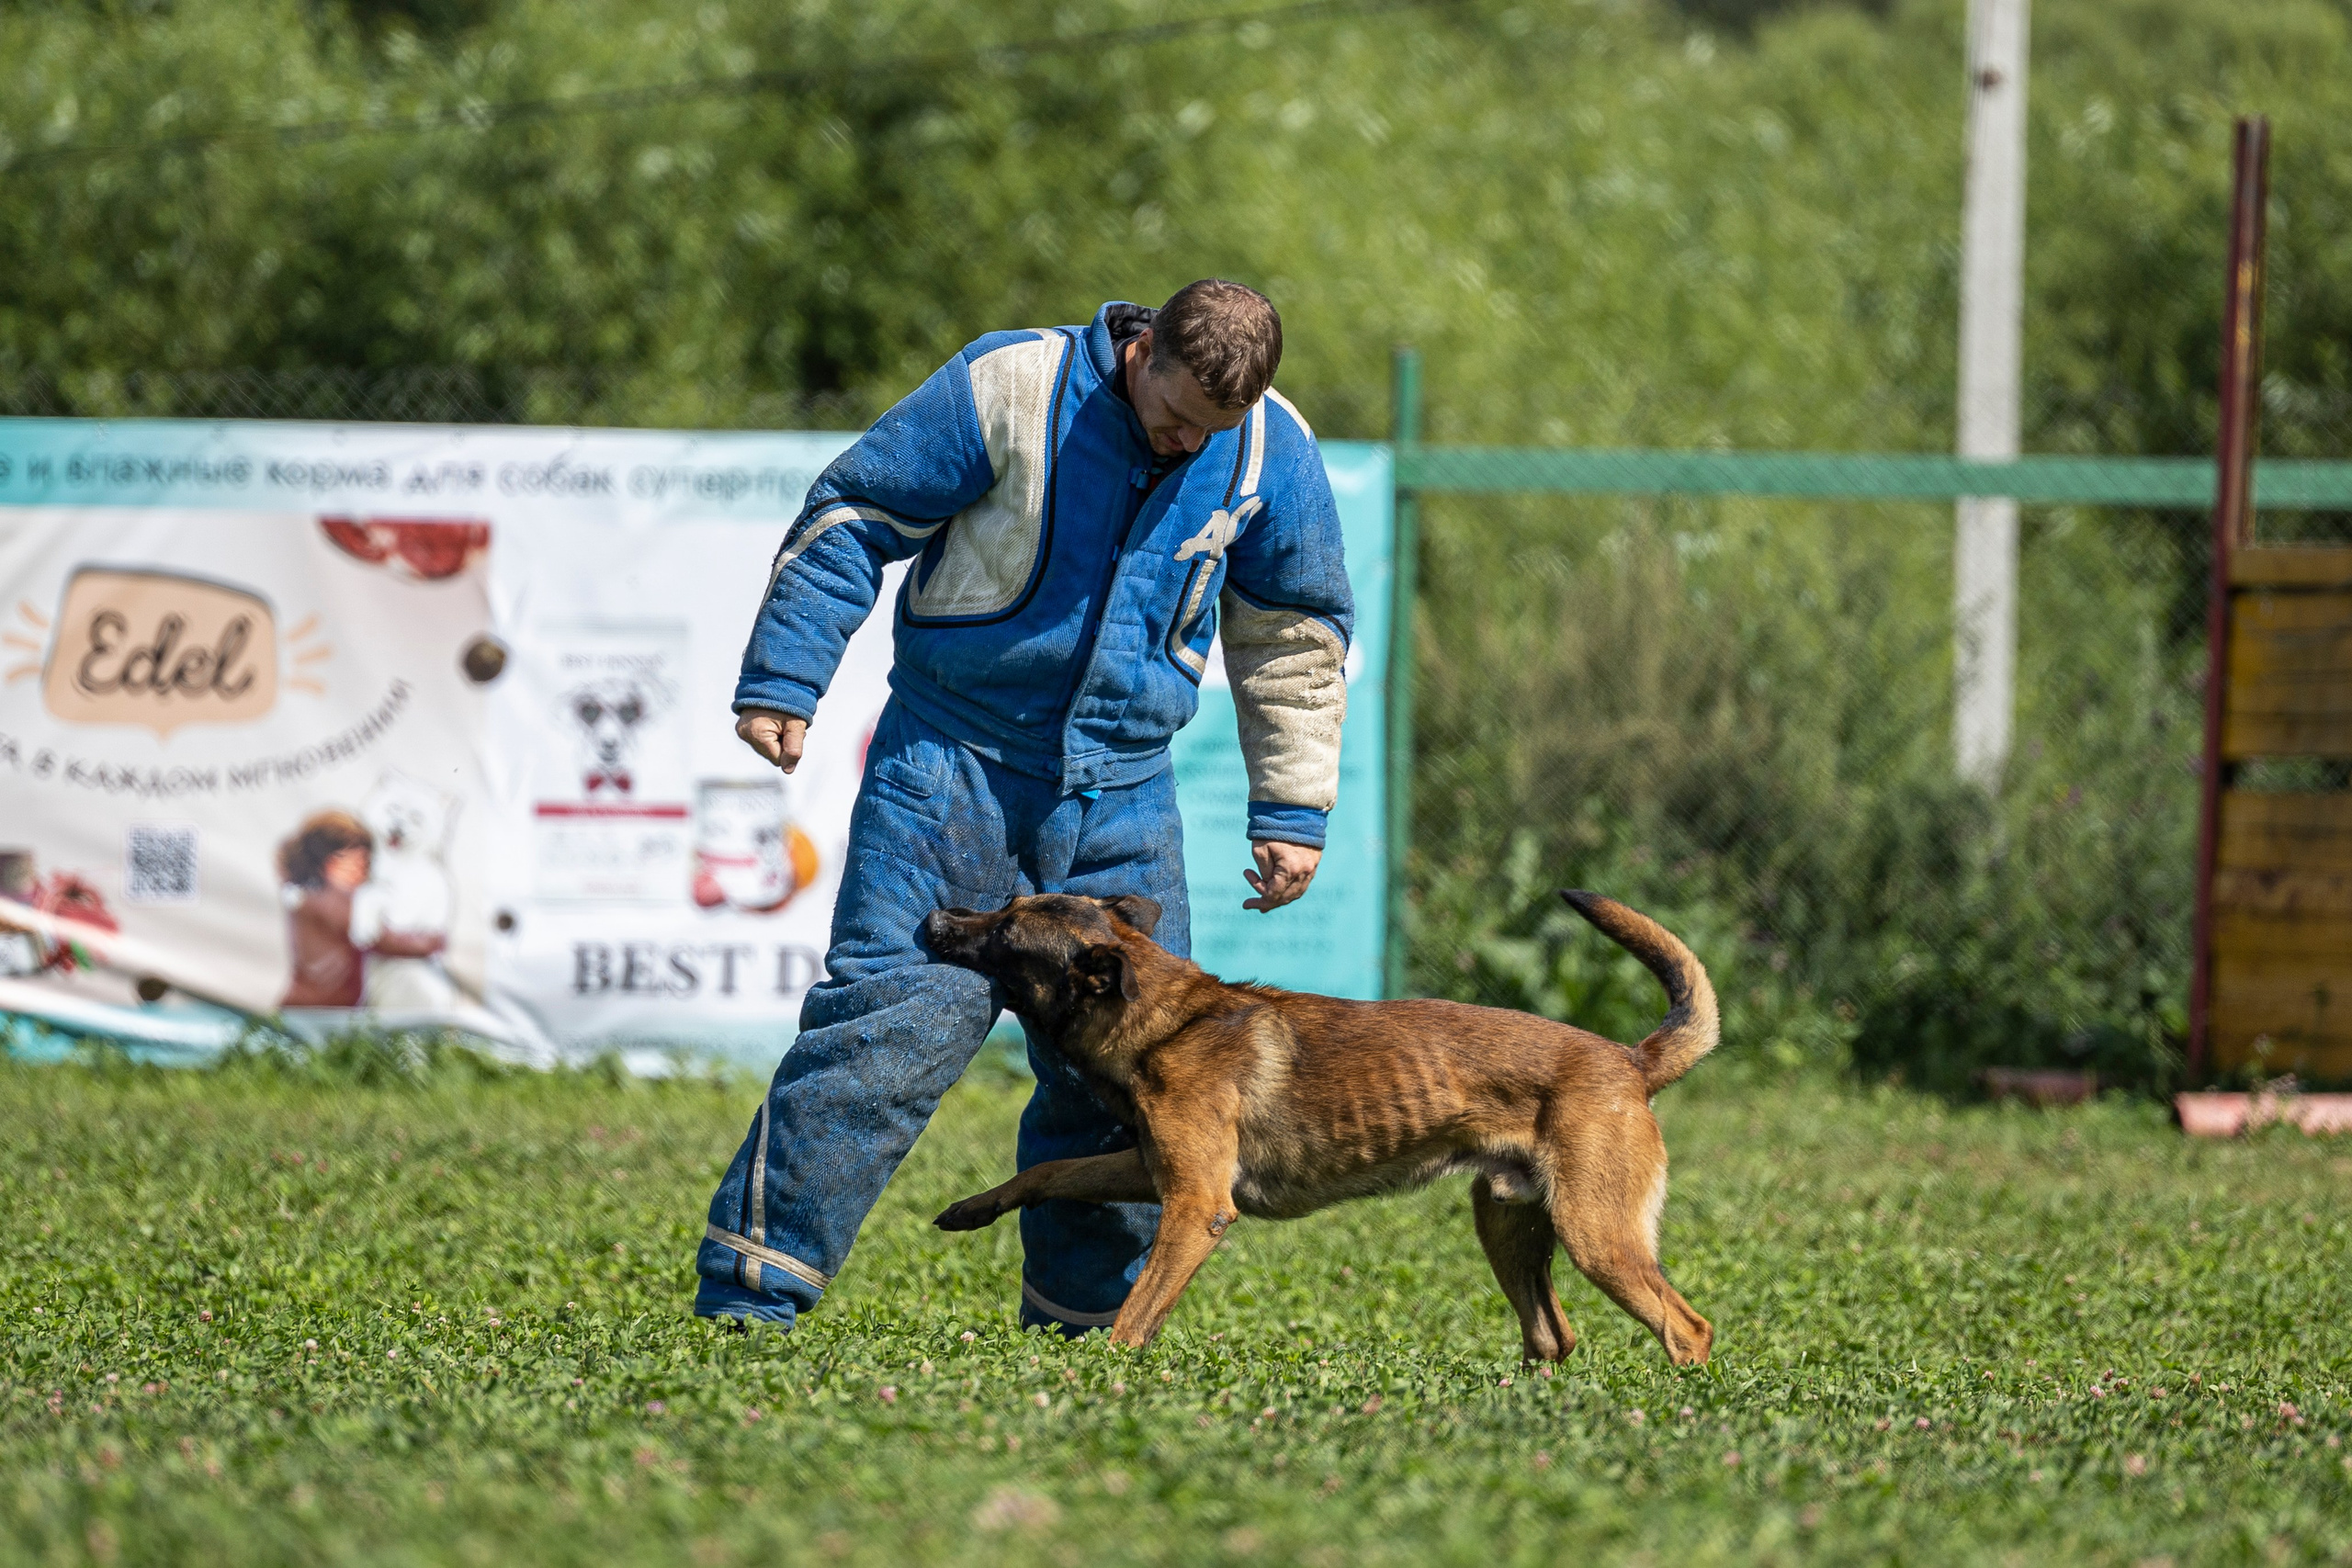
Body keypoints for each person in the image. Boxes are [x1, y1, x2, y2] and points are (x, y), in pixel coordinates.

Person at [694, 279, 1354, 1333]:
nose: (1189, 445)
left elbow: (1293, 632)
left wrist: (1291, 805)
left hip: (1125, 793)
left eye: (1212, 431)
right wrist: (785, 675)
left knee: (1136, 1079)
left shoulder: (1273, 447)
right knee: (886, 1033)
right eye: (1177, 415)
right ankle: (751, 1297)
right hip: (951, 767)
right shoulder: (1010, 385)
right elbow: (854, 515)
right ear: (1145, 353)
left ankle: (1081, 1334)